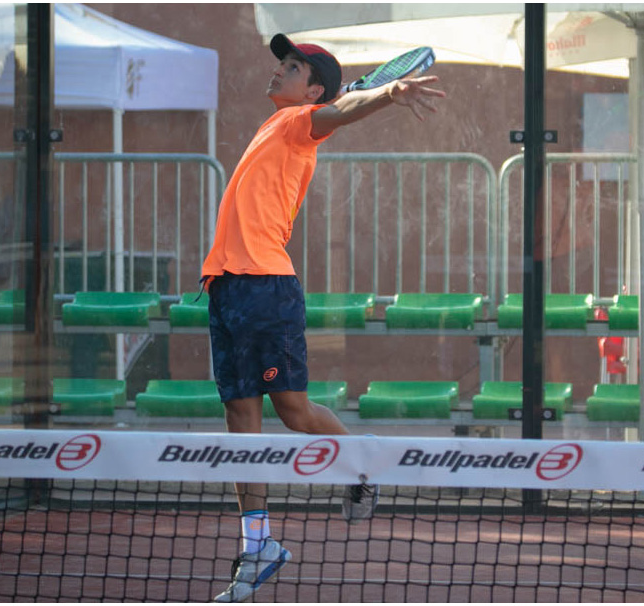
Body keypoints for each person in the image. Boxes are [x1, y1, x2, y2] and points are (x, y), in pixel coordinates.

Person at [201, 34, 445, 602]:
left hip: (266, 288)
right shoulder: (277, 123)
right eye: (282, 64)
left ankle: (361, 465)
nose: (278, 72)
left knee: (293, 412)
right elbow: (335, 107)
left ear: (312, 91)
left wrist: (387, 94)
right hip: (226, 286)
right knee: (240, 417)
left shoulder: (299, 122)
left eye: (291, 68)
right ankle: (258, 546)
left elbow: (342, 110)